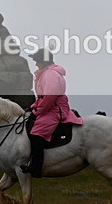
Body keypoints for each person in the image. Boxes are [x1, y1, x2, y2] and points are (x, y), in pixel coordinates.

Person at [20, 48, 83, 177]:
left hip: (54, 110)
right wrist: (33, 107)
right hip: (49, 108)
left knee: (37, 132)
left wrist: (37, 111)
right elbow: (42, 98)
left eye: (36, 60)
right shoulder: (46, 73)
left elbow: (49, 98)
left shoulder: (50, 75)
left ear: (43, 61)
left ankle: (36, 168)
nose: (35, 63)